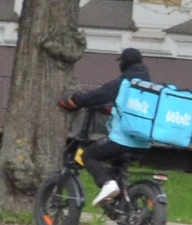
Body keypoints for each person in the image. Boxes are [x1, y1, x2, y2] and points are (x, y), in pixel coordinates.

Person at [59, 47, 150, 209]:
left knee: (88, 155)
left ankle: (108, 184)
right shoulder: (149, 86)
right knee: (117, 163)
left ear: (125, 64)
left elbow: (95, 96)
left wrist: (73, 99)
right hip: (143, 143)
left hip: (122, 140)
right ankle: (120, 203)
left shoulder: (124, 83)